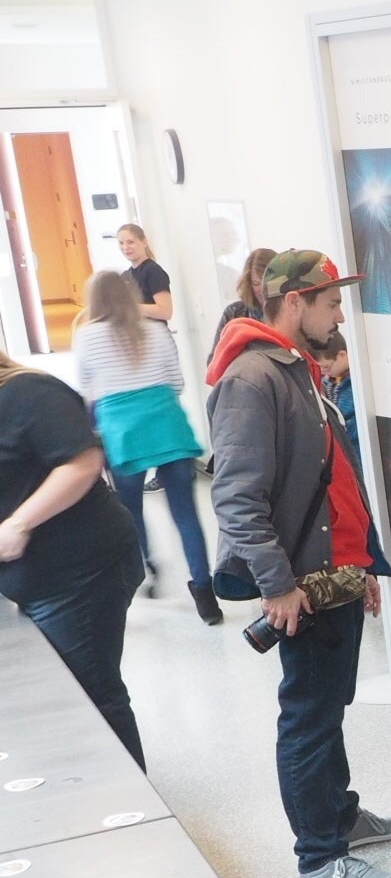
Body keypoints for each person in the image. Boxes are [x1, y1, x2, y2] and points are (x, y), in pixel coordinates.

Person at [206, 249, 391, 878]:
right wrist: (276, 584)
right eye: (330, 302)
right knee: (309, 715)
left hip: (334, 575)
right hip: (300, 586)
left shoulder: (298, 370)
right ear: (294, 302)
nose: (339, 313)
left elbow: (335, 478)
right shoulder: (252, 378)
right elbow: (236, 498)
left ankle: (340, 817)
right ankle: (321, 858)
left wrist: (363, 566)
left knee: (328, 706)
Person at [0, 350, 147, 766]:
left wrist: (20, 522)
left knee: (92, 697)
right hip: (32, 580)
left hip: (80, 572)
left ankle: (130, 809)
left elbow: (81, 462)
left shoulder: (28, 392)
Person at [73, 270, 221, 624]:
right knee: (186, 514)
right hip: (167, 426)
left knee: (131, 510)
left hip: (122, 433)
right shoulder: (156, 332)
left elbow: (85, 387)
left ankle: (147, 567)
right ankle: (205, 593)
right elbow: (177, 383)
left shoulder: (87, 336)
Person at [313, 335, 391, 578]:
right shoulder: (329, 382)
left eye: (327, 366)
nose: (325, 373)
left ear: (343, 355)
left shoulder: (359, 385)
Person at [211, 247, 276, 356]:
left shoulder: (290, 311)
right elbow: (215, 360)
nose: (262, 290)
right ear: (248, 283)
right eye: (256, 283)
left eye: (267, 282)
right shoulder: (234, 313)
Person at [117, 224, 173, 323]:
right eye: (121, 243)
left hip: (155, 334)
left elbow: (166, 311)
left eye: (130, 242)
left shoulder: (153, 271)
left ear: (144, 242)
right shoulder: (126, 276)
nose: (125, 247)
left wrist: (131, 307)